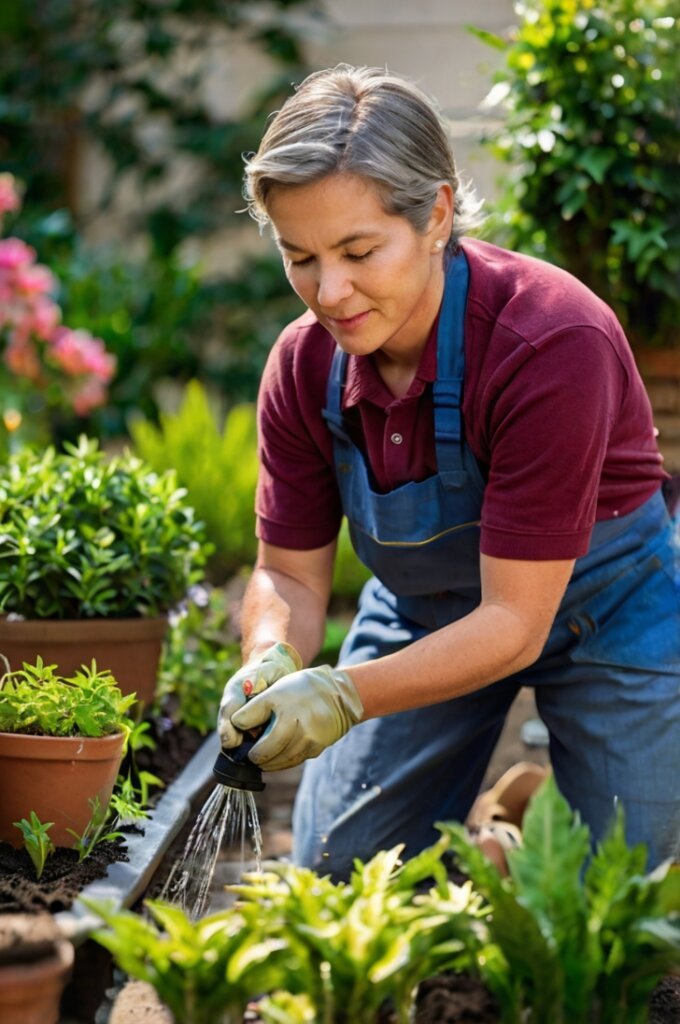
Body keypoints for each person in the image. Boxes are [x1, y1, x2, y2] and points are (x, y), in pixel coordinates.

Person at [217, 64, 680, 880]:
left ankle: (524, 821)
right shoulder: (303, 365)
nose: (329, 291)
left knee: (626, 897)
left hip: (610, 605)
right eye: (300, 257)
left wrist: (346, 695)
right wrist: (271, 654)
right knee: (340, 871)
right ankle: (505, 832)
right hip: (428, 612)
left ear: (434, 214)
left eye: (360, 251)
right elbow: (286, 572)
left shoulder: (549, 342)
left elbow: (513, 622)